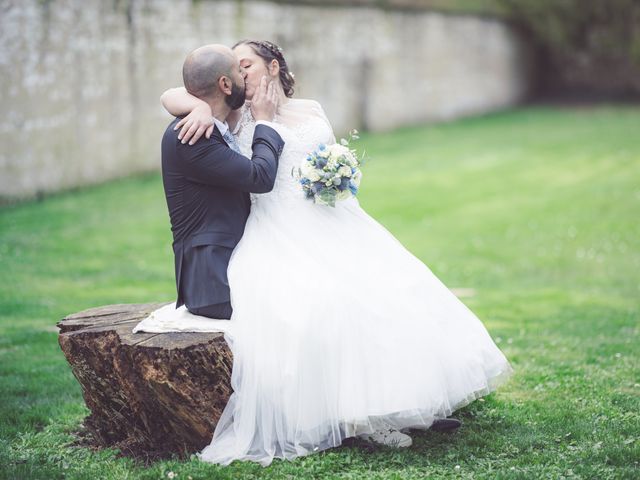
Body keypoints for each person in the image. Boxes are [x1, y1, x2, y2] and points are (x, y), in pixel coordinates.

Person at [154, 40, 513, 466]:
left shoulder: (311, 109)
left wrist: (336, 177)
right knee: (330, 302)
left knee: (392, 291)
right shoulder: (236, 114)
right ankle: (365, 419)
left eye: (247, 63)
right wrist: (192, 105)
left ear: (272, 67)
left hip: (333, 218)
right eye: (235, 68)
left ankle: (407, 406)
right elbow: (181, 93)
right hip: (276, 226)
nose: (241, 72)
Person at [160, 44, 284, 320]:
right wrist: (265, 122)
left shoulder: (213, 122)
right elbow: (260, 177)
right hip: (215, 282)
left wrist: (199, 105)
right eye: (241, 71)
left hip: (238, 265)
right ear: (226, 84)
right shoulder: (191, 137)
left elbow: (172, 94)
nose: (246, 77)